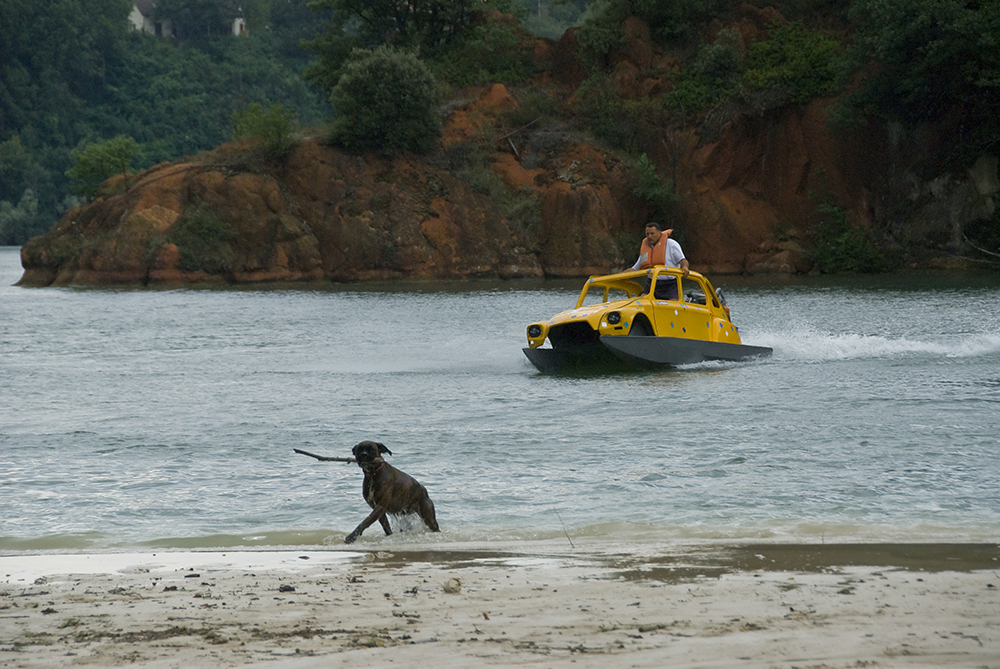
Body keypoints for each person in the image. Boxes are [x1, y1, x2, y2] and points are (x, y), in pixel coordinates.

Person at [631, 222, 689, 300]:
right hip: (652, 283)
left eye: (652, 233)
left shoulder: (672, 244)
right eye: (647, 234)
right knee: (642, 301)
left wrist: (685, 267)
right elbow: (634, 269)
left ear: (659, 233)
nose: (649, 236)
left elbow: (683, 260)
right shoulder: (646, 249)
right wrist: (618, 276)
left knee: (672, 304)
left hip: (670, 284)